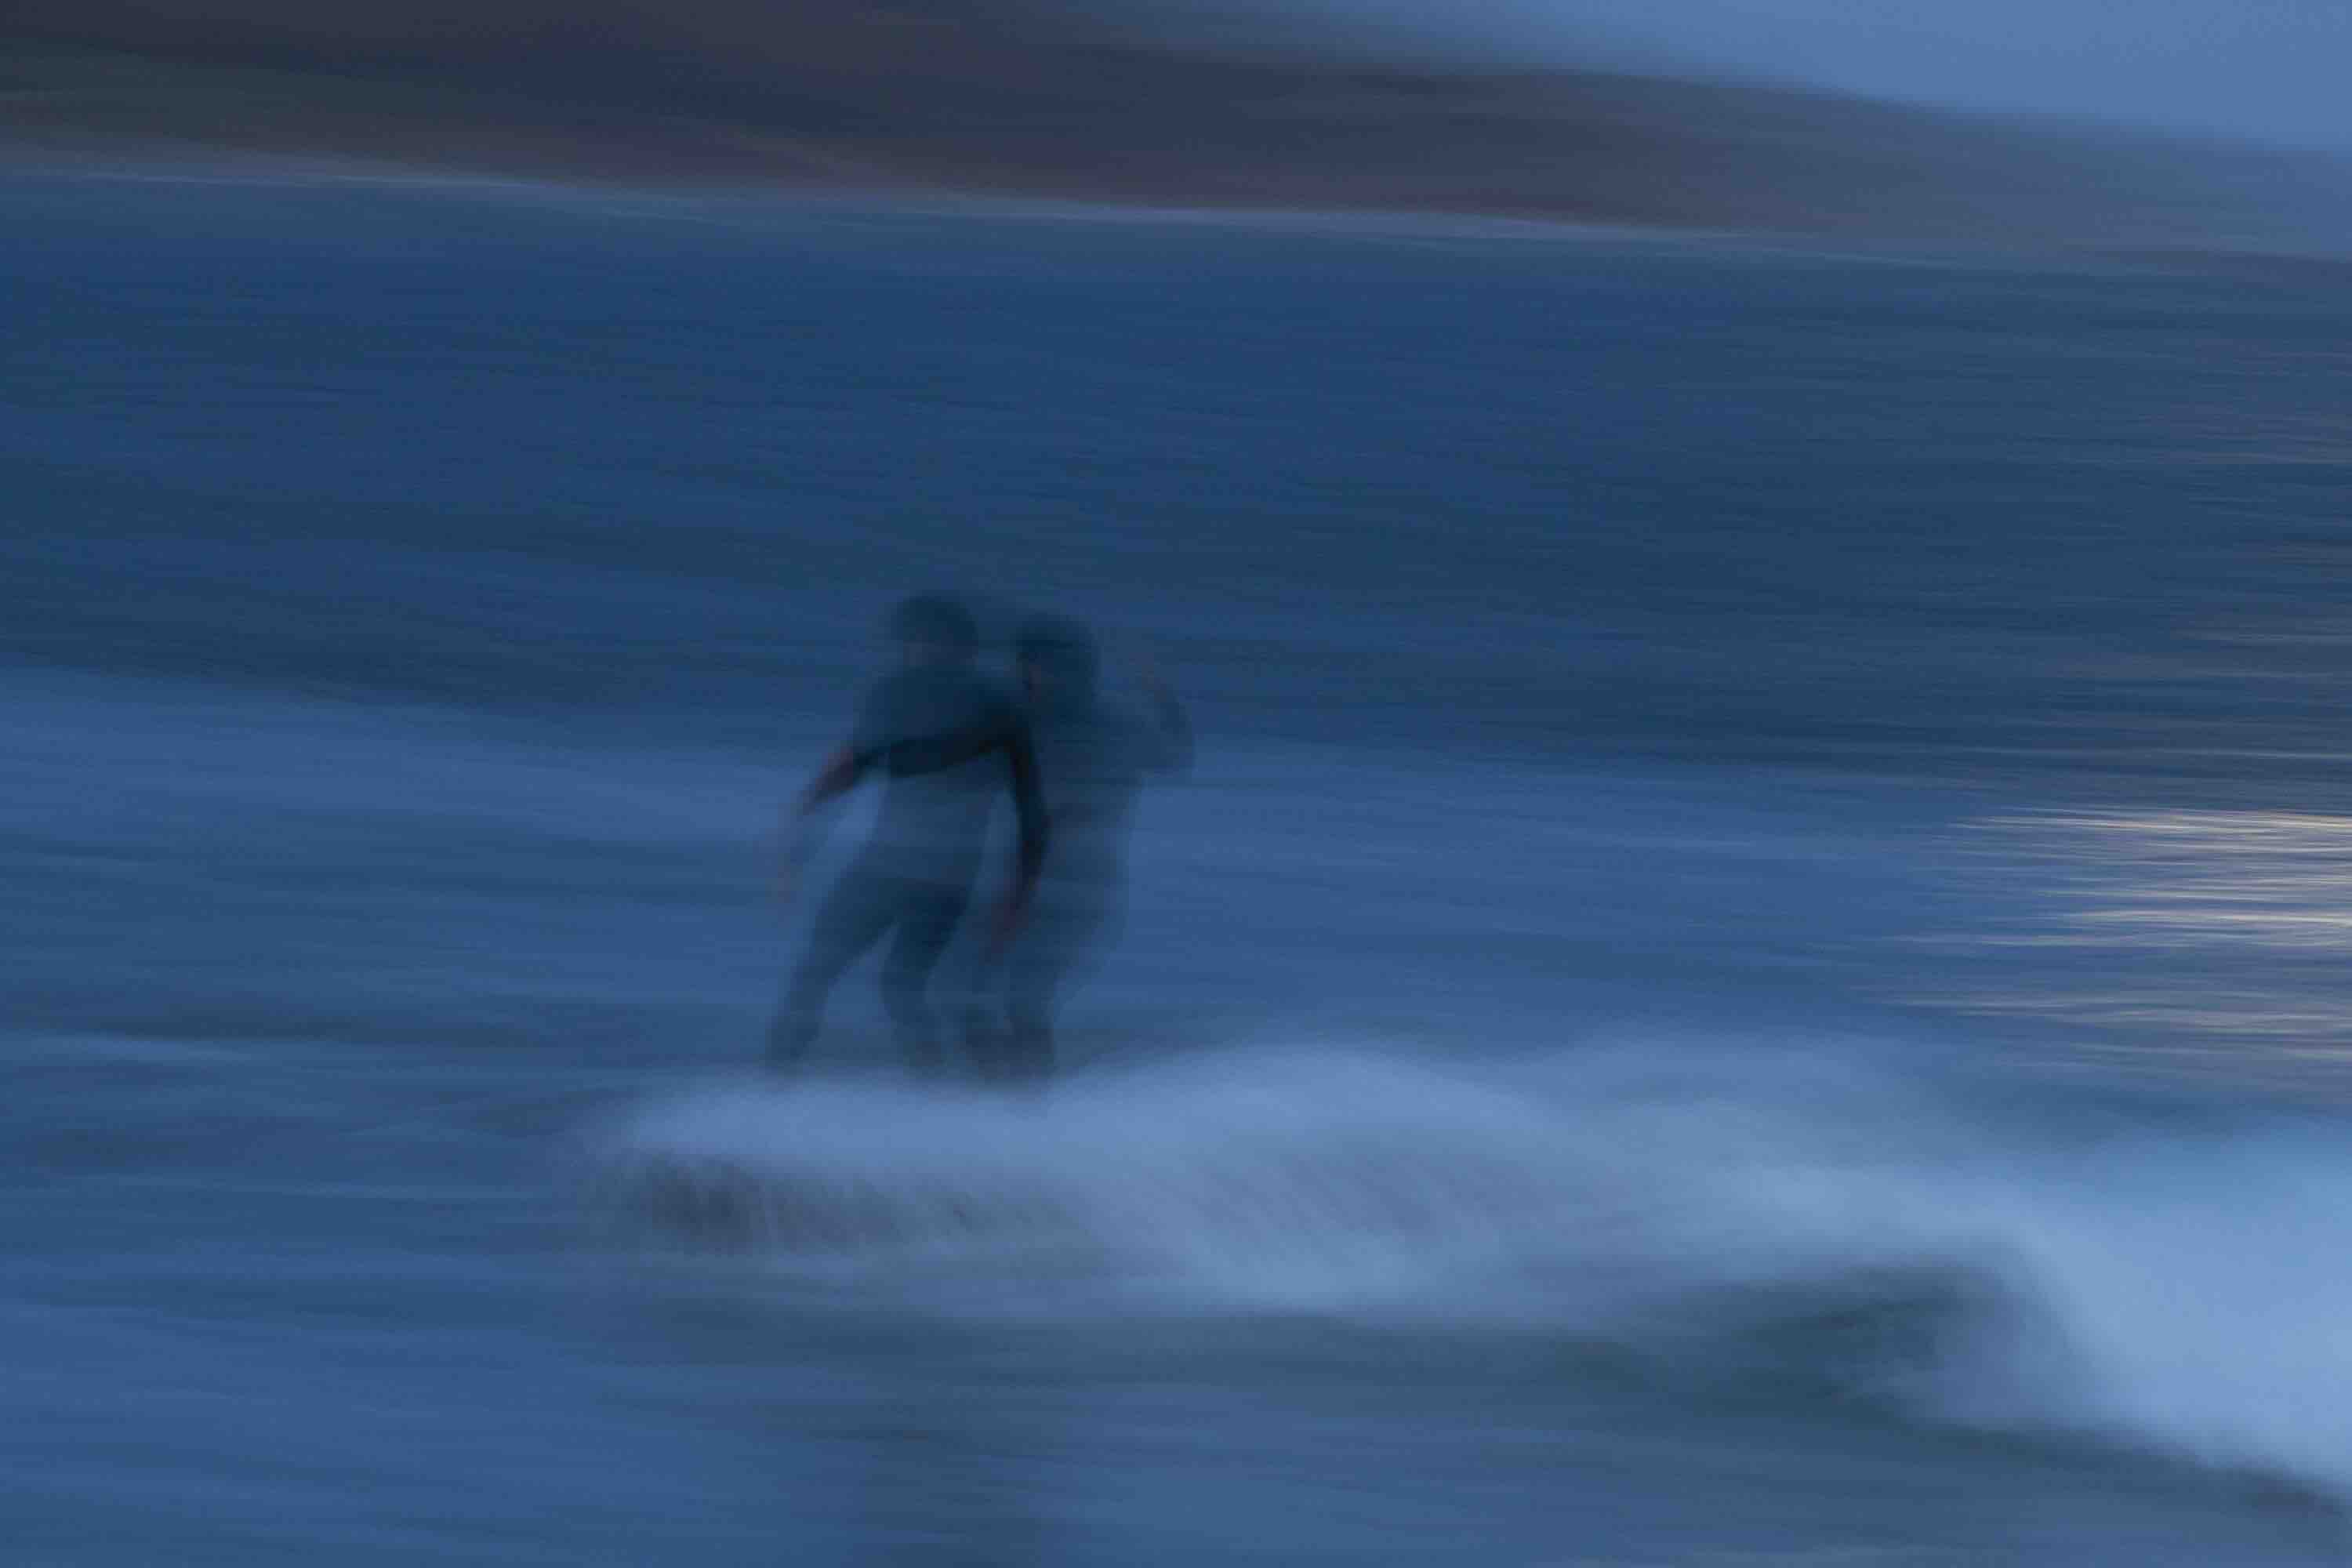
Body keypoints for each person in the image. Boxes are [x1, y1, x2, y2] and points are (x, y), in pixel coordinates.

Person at [764, 594, 1047, 1076]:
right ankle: (780, 1086)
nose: (920, 652)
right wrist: (798, 833)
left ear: (958, 649)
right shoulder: (902, 695)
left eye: (929, 643)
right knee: (845, 978)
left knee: (867, 981)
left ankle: (939, 1099)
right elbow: (852, 766)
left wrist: (1017, 898)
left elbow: (1028, 813)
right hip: (904, 866)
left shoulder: (987, 706)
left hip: (924, 873)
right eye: (915, 643)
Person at [960, 615, 1191, 1084]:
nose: (1026, 676)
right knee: (995, 996)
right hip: (1065, 882)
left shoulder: (1061, 726)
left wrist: (1012, 899)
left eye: (1033, 668)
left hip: (1061, 884)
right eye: (1024, 667)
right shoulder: (1056, 723)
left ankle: (1020, 1106)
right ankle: (1015, 1102)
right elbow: (1175, 756)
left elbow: (1168, 759)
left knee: (1007, 997)